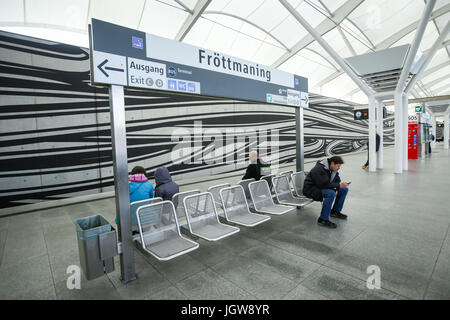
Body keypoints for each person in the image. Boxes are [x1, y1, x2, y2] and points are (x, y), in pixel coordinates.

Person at [303, 155, 349, 229]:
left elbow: (337, 180)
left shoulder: (332, 169)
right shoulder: (319, 169)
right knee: (331, 193)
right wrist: (336, 187)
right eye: (338, 166)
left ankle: (335, 211)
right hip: (311, 189)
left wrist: (337, 188)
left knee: (344, 189)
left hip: (321, 187)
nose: (339, 168)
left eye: (339, 166)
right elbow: (323, 184)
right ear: (332, 163)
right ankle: (323, 219)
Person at [116, 166, 154, 233]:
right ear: (144, 174)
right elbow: (150, 199)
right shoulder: (149, 185)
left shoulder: (126, 186)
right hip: (146, 219)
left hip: (129, 220)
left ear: (132, 175)